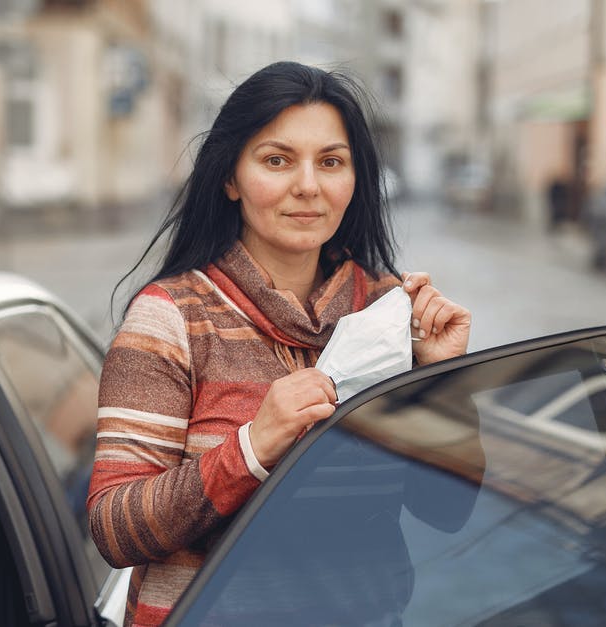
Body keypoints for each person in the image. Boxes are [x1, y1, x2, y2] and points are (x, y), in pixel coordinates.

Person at [86, 61, 472, 627]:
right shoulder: (171, 320)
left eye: (331, 162)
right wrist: (252, 448)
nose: (309, 186)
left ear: (356, 179)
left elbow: (448, 510)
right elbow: (115, 530)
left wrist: (442, 383)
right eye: (277, 160)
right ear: (230, 177)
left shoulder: (391, 314)